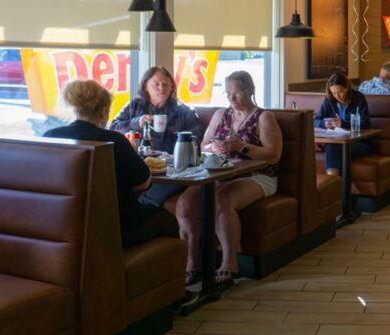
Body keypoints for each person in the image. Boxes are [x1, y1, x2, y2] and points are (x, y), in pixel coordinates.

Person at [171, 71, 282, 286]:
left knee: (222, 201)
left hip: (258, 175)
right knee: (185, 204)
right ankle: (192, 262)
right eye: (227, 93)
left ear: (250, 91)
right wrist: (215, 146)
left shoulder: (264, 117)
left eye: (237, 93)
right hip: (220, 174)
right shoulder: (220, 114)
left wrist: (243, 147)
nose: (231, 99)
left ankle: (230, 263)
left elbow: (274, 154)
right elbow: (203, 146)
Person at [45, 79, 178, 248]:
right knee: (169, 220)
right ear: (103, 111)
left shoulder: (50, 136)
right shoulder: (113, 140)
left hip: (66, 224)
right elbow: (143, 183)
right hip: (118, 226)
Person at [109, 66, 204, 208]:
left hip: (170, 167)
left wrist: (177, 139)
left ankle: (143, 206)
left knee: (175, 179)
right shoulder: (135, 105)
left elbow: (197, 138)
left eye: (165, 84)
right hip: (139, 161)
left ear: (171, 86)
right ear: (146, 86)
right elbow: (113, 128)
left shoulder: (183, 111)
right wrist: (137, 122)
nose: (161, 88)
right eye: (156, 84)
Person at [315, 73, 372, 175]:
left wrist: (343, 124)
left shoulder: (359, 98)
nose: (337, 96)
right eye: (334, 93)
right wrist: (324, 124)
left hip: (359, 143)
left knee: (333, 148)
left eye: (340, 91)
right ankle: (336, 185)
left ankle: (332, 183)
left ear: (347, 87)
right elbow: (316, 120)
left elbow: (366, 123)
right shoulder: (329, 100)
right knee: (333, 147)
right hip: (337, 142)